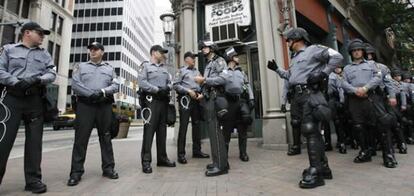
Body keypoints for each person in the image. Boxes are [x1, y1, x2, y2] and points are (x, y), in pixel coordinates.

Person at [267, 27, 343, 188]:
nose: (287, 42)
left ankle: (316, 172)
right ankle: (323, 167)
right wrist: (277, 69)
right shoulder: (294, 58)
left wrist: (323, 73)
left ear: (297, 38)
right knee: (312, 132)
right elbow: (290, 77)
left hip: (310, 95)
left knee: (310, 130)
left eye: (288, 39)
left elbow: (337, 56)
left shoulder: (314, 50)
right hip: (298, 97)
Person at [0, 21, 56, 194]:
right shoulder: (9, 49)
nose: (43, 36)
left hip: (34, 100)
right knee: (3, 141)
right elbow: (0, 70)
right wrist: (16, 82)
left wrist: (37, 80)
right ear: (27, 33)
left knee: (34, 143)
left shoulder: (45, 53)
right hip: (11, 99)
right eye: (40, 33)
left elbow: (52, 73)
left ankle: (33, 180)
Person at [67, 42, 120, 186]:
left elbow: (115, 85)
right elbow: (76, 85)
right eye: (91, 49)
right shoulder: (81, 67)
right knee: (80, 139)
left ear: (102, 52)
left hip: (104, 105)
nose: (92, 51)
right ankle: (76, 172)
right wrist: (91, 94)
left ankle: (108, 168)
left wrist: (102, 92)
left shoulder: (109, 69)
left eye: (96, 49)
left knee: (106, 137)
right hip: (86, 105)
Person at [341, 39, 397, 168]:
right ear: (350, 53)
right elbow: (343, 83)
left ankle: (388, 155)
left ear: (363, 51)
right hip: (355, 100)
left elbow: (377, 77)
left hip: (372, 98)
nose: (356, 52)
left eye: (358, 50)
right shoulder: (347, 68)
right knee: (359, 127)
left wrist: (365, 88)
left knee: (382, 127)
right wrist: (355, 91)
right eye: (354, 51)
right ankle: (365, 151)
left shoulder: (373, 64)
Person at [138, 45, 175, 174]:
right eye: (161, 52)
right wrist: (157, 90)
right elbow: (142, 82)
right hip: (151, 101)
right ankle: (146, 161)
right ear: (154, 53)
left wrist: (167, 88)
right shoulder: (146, 66)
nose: (163, 55)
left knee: (162, 132)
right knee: (149, 132)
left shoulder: (165, 69)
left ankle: (162, 158)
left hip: (163, 102)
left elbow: (171, 82)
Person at [194, 41, 229, 177]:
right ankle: (219, 162)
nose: (203, 49)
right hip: (209, 99)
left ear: (212, 48)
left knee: (215, 132)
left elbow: (223, 79)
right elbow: (209, 84)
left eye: (205, 47)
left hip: (216, 99)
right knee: (213, 132)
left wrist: (204, 81)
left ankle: (221, 166)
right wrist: (203, 93)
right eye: (202, 48)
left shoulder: (219, 61)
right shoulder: (208, 64)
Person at [173, 51, 209, 164]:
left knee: (197, 126)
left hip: (197, 100)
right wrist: (188, 91)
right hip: (186, 100)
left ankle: (197, 151)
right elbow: (175, 85)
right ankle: (181, 154)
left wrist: (201, 93)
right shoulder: (181, 71)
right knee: (183, 126)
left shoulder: (197, 71)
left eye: (195, 58)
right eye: (192, 58)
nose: (194, 60)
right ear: (186, 59)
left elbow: (202, 84)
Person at [221, 47, 255, 162]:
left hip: (240, 102)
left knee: (242, 129)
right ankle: (224, 154)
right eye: (235, 56)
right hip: (229, 103)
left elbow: (247, 84)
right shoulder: (224, 72)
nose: (238, 58)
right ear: (231, 58)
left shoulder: (241, 72)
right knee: (226, 130)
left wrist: (251, 98)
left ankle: (243, 153)